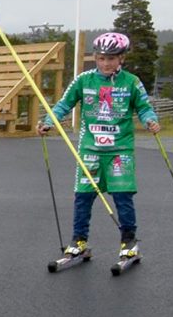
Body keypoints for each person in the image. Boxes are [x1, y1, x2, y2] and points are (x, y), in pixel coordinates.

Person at [43, 31, 159, 266]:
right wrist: (48, 121)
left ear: (121, 59)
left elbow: (144, 107)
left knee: (122, 197)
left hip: (120, 150)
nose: (106, 63)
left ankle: (129, 243)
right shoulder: (84, 80)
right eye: (101, 58)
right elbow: (64, 104)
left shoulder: (131, 82)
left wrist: (150, 120)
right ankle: (79, 243)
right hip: (90, 150)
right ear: (95, 58)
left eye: (112, 58)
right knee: (83, 197)